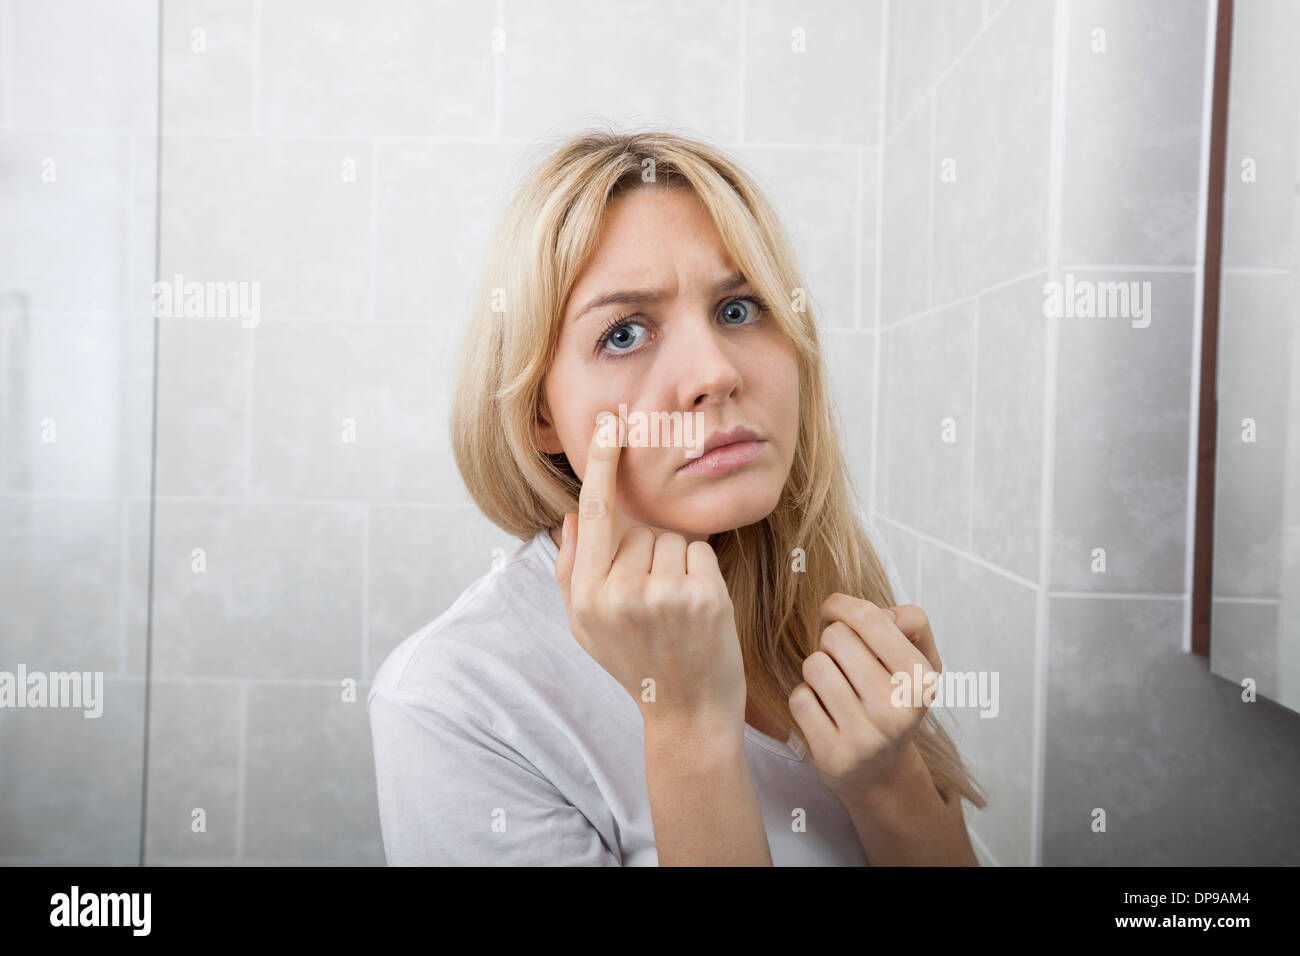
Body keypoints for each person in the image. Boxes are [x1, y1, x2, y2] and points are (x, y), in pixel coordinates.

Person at [368, 126, 988, 865]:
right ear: (540, 413)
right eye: (625, 334)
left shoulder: (835, 572)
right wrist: (687, 725)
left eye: (738, 309)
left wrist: (890, 784)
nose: (714, 373)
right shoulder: (453, 703)